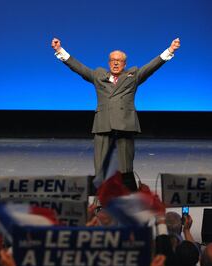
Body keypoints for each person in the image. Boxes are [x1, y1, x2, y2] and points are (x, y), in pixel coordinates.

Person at [51, 38, 180, 191]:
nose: (116, 63)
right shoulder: (99, 75)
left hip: (125, 125)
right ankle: (101, 203)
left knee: (125, 168)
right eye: (112, 60)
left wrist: (170, 50)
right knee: (100, 168)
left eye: (119, 61)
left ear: (124, 64)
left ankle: (128, 199)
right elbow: (79, 68)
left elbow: (151, 67)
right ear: (108, 63)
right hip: (103, 125)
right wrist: (60, 51)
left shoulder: (133, 76)